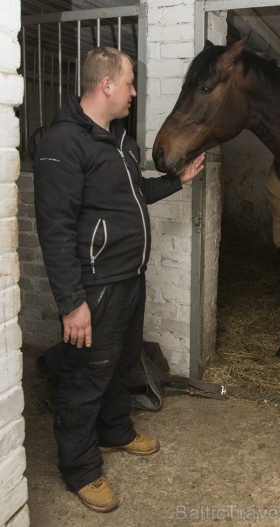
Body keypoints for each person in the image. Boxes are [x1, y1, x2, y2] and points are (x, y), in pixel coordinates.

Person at [33, 46, 205, 513]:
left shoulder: (120, 140)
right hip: (96, 287)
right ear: (105, 84)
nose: (133, 91)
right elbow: (55, 228)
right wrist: (72, 302)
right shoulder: (63, 143)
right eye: (129, 82)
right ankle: (81, 469)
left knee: (123, 360)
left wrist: (179, 180)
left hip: (130, 278)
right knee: (85, 378)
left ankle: (115, 432)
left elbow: (136, 194)